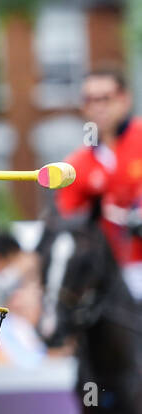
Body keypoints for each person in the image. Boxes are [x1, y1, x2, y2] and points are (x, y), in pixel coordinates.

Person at [57, 64, 142, 297]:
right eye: (90, 100)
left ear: (125, 99)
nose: (97, 107)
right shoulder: (75, 165)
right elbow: (71, 224)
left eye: (105, 98)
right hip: (106, 275)